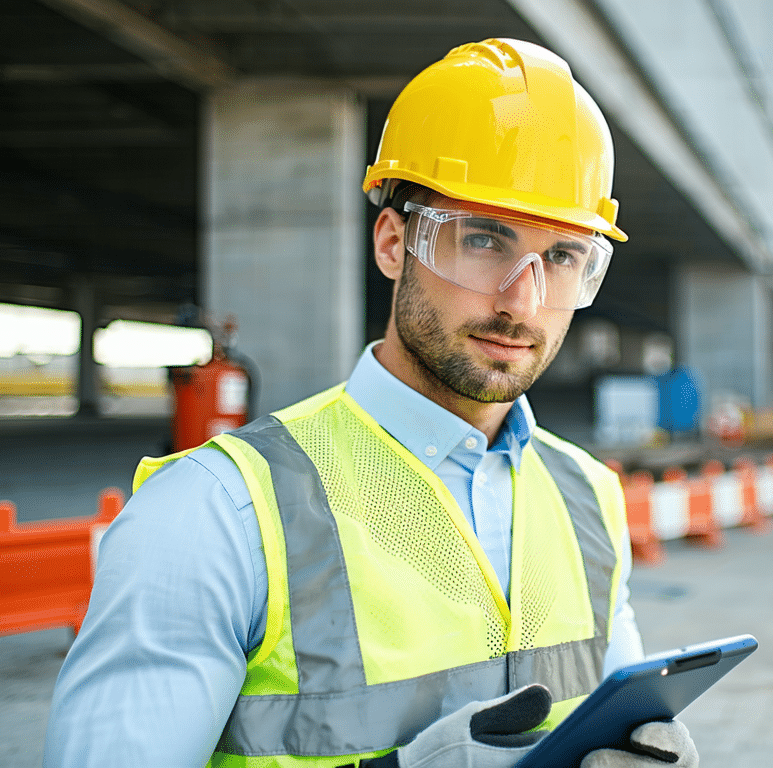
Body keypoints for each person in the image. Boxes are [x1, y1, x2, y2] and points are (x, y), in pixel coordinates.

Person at [44, 38, 699, 768]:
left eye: (563, 256)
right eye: (482, 239)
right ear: (394, 243)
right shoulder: (216, 514)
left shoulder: (589, 497)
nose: (523, 301)